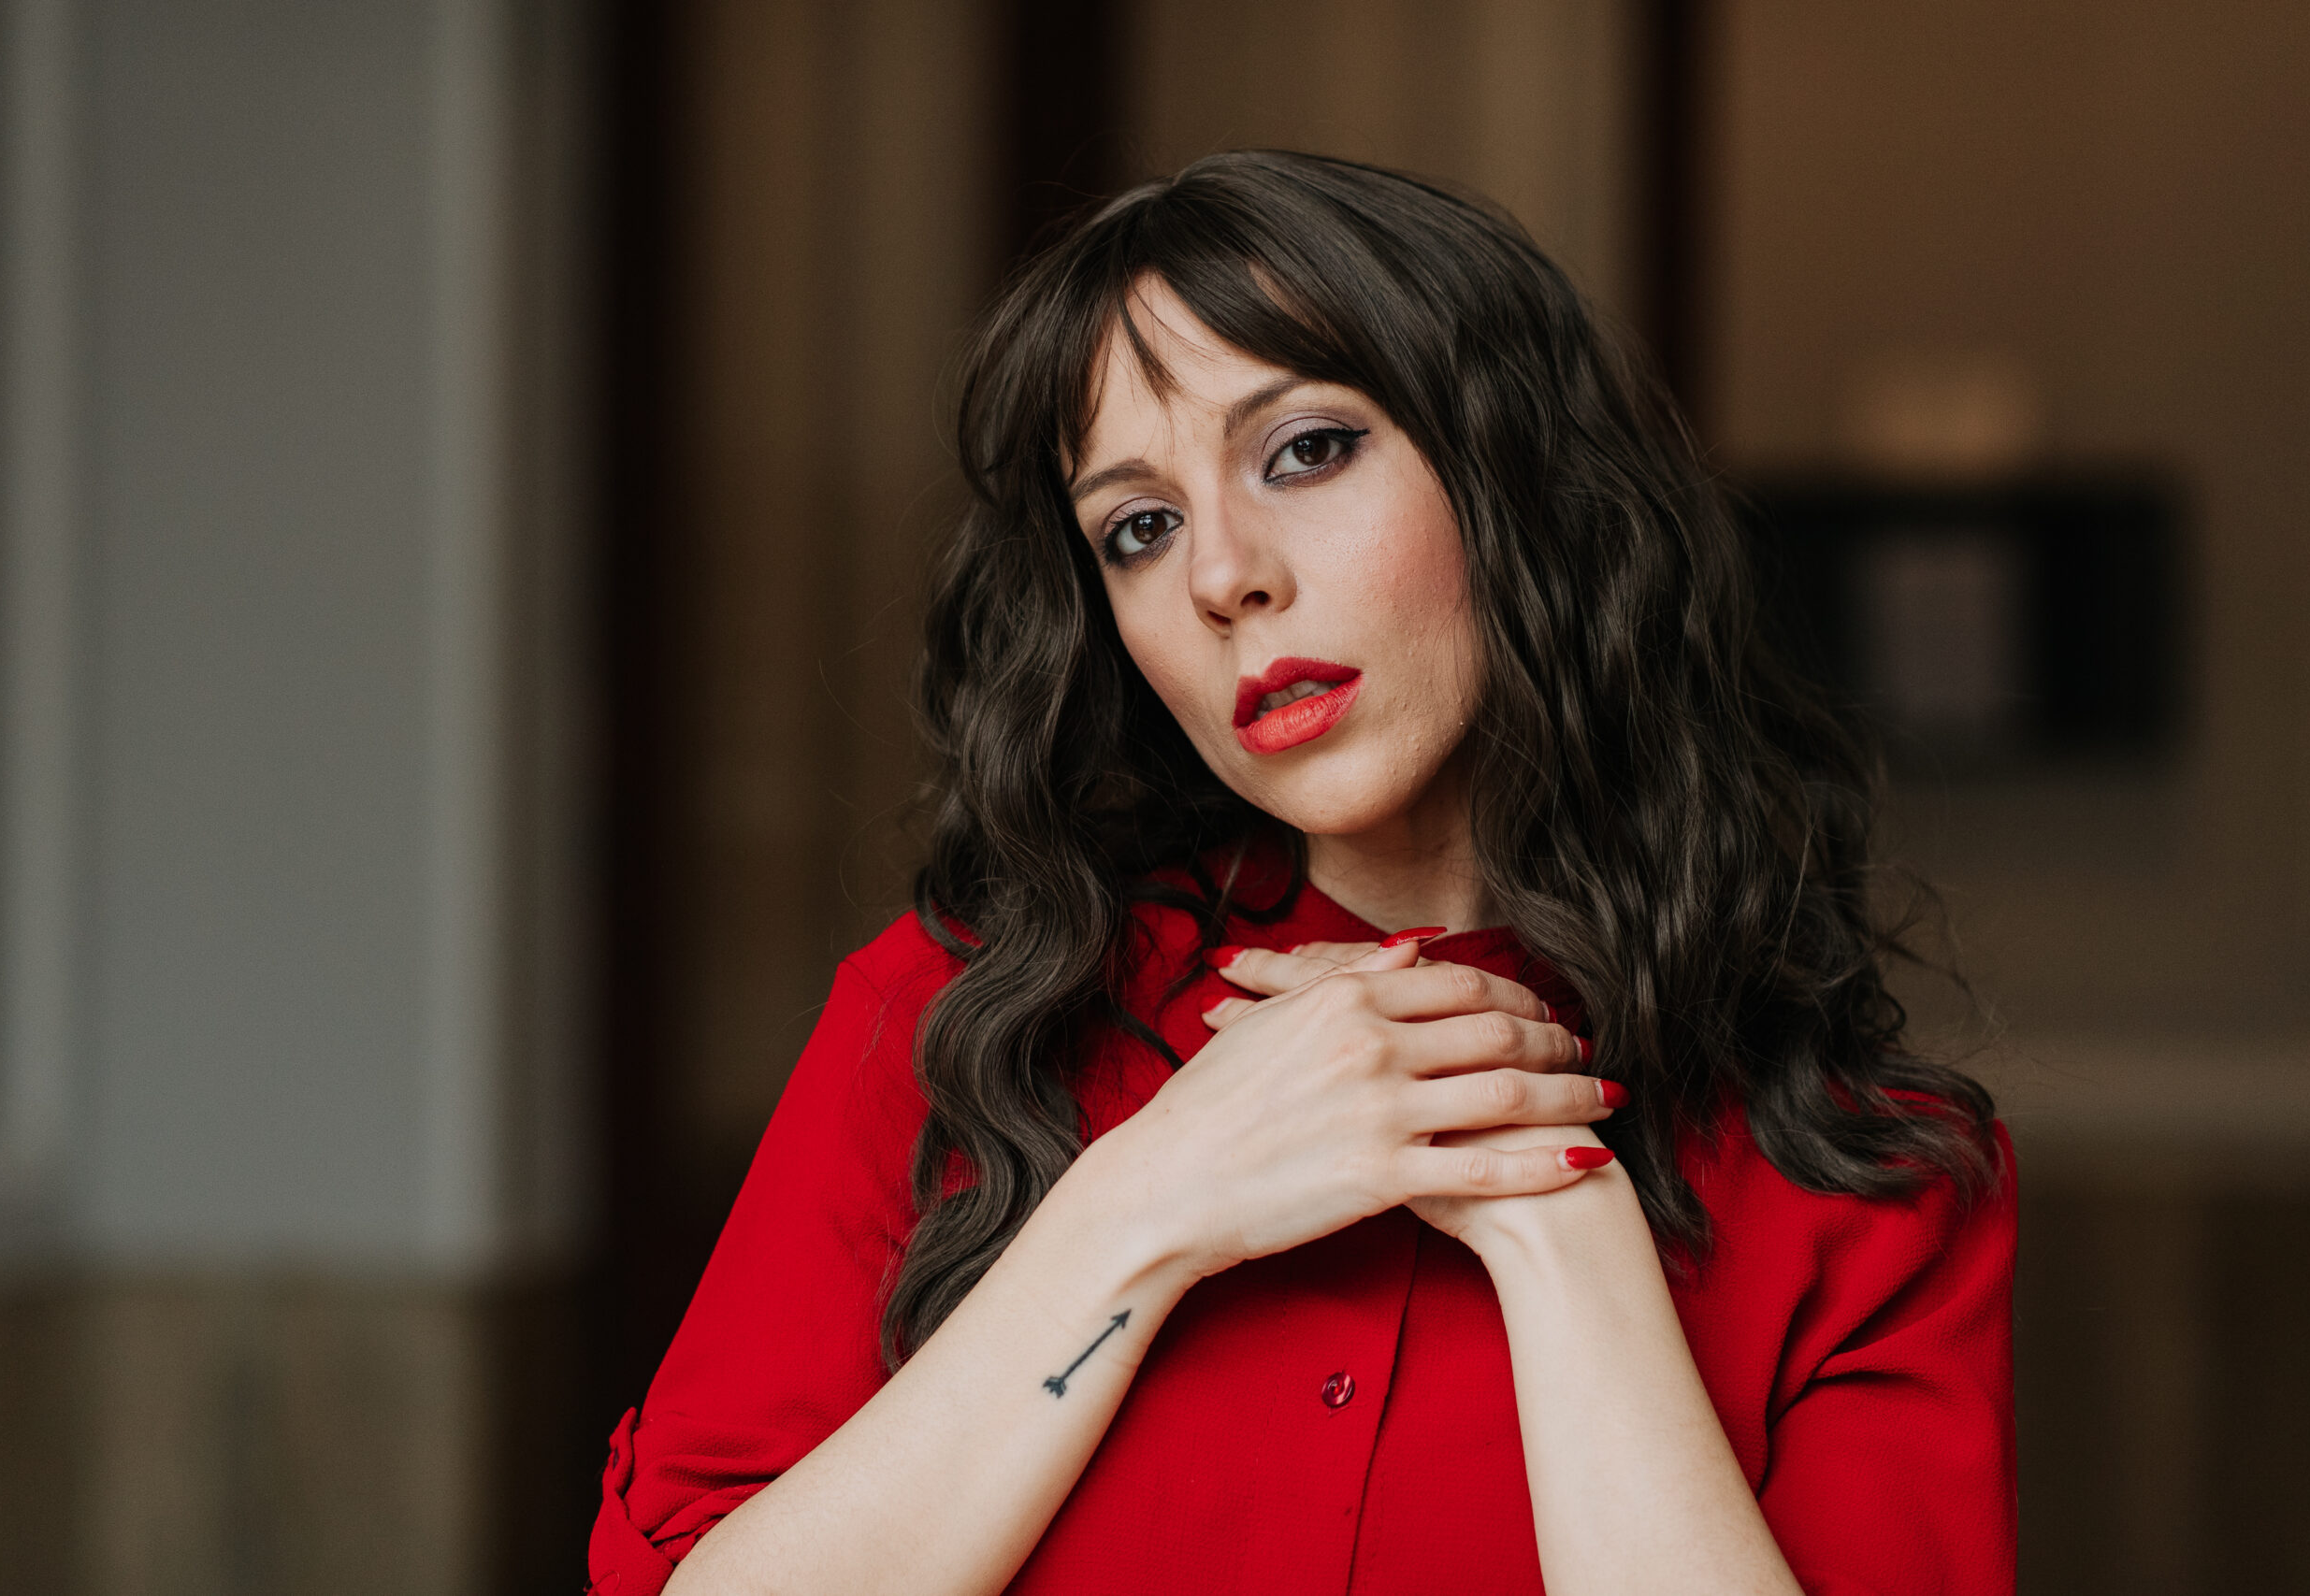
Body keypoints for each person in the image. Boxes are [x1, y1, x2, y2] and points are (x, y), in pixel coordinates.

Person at [587, 151, 2014, 1596]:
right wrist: (1147, 1204)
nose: (1222, 575)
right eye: (1139, 529)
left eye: (1306, 450)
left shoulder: (1864, 1176)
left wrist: (1562, 1227)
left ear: (1511, 473)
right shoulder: (954, 1024)